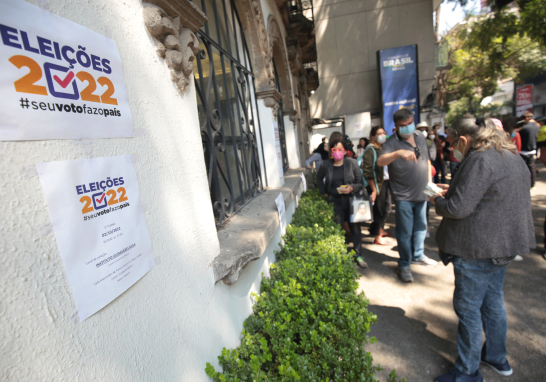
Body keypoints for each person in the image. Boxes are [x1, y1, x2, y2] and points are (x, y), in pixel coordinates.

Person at [431, 116, 535, 382]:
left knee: (468, 310)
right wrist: (453, 189)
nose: (453, 150)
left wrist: (438, 202)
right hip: (502, 247)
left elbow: (458, 208)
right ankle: (497, 357)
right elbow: (490, 196)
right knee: (493, 303)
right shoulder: (511, 156)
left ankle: (467, 371)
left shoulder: (479, 159)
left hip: (476, 249)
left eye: (453, 144)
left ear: (464, 140)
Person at [377, 109, 438, 283]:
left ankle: (418, 255)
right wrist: (397, 153)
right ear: (395, 127)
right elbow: (380, 161)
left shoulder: (419, 136)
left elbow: (426, 160)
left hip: (423, 192)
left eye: (410, 123)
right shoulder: (391, 143)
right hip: (403, 196)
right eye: (403, 126)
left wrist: (430, 184)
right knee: (404, 232)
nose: (408, 128)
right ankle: (404, 264)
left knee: (421, 227)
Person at [317, 132, 367, 268]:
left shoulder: (352, 163)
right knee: (338, 229)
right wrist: (324, 192)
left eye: (340, 149)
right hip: (335, 201)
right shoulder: (326, 164)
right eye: (335, 150)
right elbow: (319, 179)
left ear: (345, 151)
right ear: (331, 151)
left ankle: (358, 254)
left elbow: (360, 183)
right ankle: (341, 255)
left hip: (352, 201)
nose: (338, 152)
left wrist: (351, 188)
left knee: (355, 229)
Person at [362, 126, 391, 245]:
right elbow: (368, 171)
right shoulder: (371, 150)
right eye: (379, 134)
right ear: (373, 137)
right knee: (379, 210)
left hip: (386, 182)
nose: (382, 135)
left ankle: (377, 229)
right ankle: (377, 236)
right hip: (378, 184)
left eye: (384, 133)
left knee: (387, 209)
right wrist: (374, 189)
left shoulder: (384, 148)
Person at [519, 111, 540, 187]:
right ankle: (533, 183)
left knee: (523, 168)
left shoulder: (523, 127)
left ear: (526, 118)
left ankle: (524, 183)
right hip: (532, 149)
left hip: (523, 150)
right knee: (532, 167)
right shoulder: (537, 126)